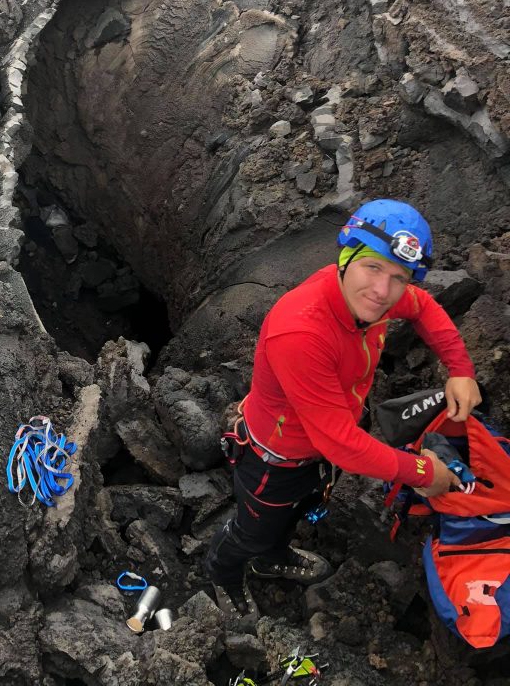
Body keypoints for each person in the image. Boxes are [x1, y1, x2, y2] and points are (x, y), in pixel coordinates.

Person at [205, 198, 482, 615]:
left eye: (399, 277)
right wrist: (422, 472)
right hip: (273, 462)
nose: (381, 291)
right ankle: (222, 574)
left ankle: (270, 559)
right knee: (252, 530)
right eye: (372, 267)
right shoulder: (301, 332)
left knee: (293, 514)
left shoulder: (375, 300)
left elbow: (423, 306)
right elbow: (342, 445)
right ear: (346, 256)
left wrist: (460, 368)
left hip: (314, 449)